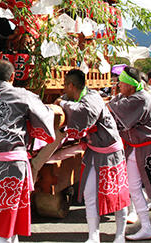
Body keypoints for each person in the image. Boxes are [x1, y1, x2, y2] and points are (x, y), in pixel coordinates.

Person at [0, 59, 56, 243]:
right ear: (13, 76)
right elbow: (44, 119)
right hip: (13, 163)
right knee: (11, 209)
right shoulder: (23, 95)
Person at [55, 69, 130, 243]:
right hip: (93, 153)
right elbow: (67, 104)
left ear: (71, 85)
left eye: (65, 85)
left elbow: (83, 113)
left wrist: (63, 105)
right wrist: (63, 103)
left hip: (111, 154)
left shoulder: (92, 98)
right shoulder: (75, 98)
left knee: (117, 195)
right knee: (90, 195)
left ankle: (120, 235)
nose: (63, 89)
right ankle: (93, 235)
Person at [107, 66, 151, 241]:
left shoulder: (141, 98)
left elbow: (114, 109)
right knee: (134, 188)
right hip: (134, 147)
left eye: (122, 82)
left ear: (131, 85)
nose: (118, 84)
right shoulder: (128, 96)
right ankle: (146, 227)